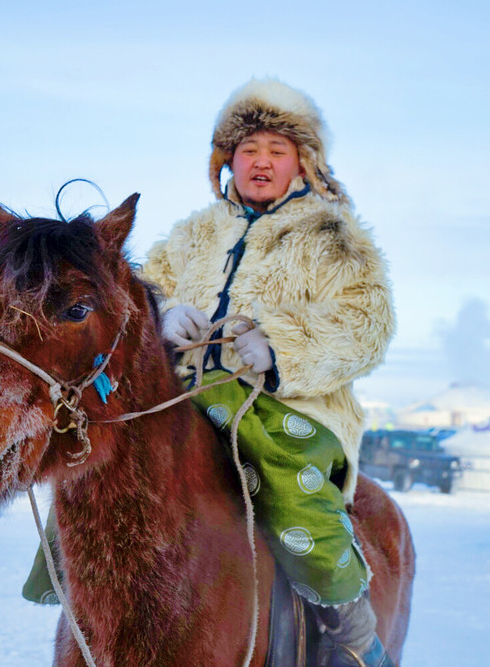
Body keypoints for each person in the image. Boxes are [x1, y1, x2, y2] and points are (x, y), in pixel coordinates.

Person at [139, 77, 396, 667]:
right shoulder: (190, 235)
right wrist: (162, 313)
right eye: (249, 149)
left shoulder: (334, 238)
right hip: (182, 402)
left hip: (288, 409)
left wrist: (280, 346)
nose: (261, 162)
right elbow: (136, 293)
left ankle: (353, 639)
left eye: (277, 151)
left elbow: (367, 323)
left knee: (288, 486)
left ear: (302, 164)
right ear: (226, 160)